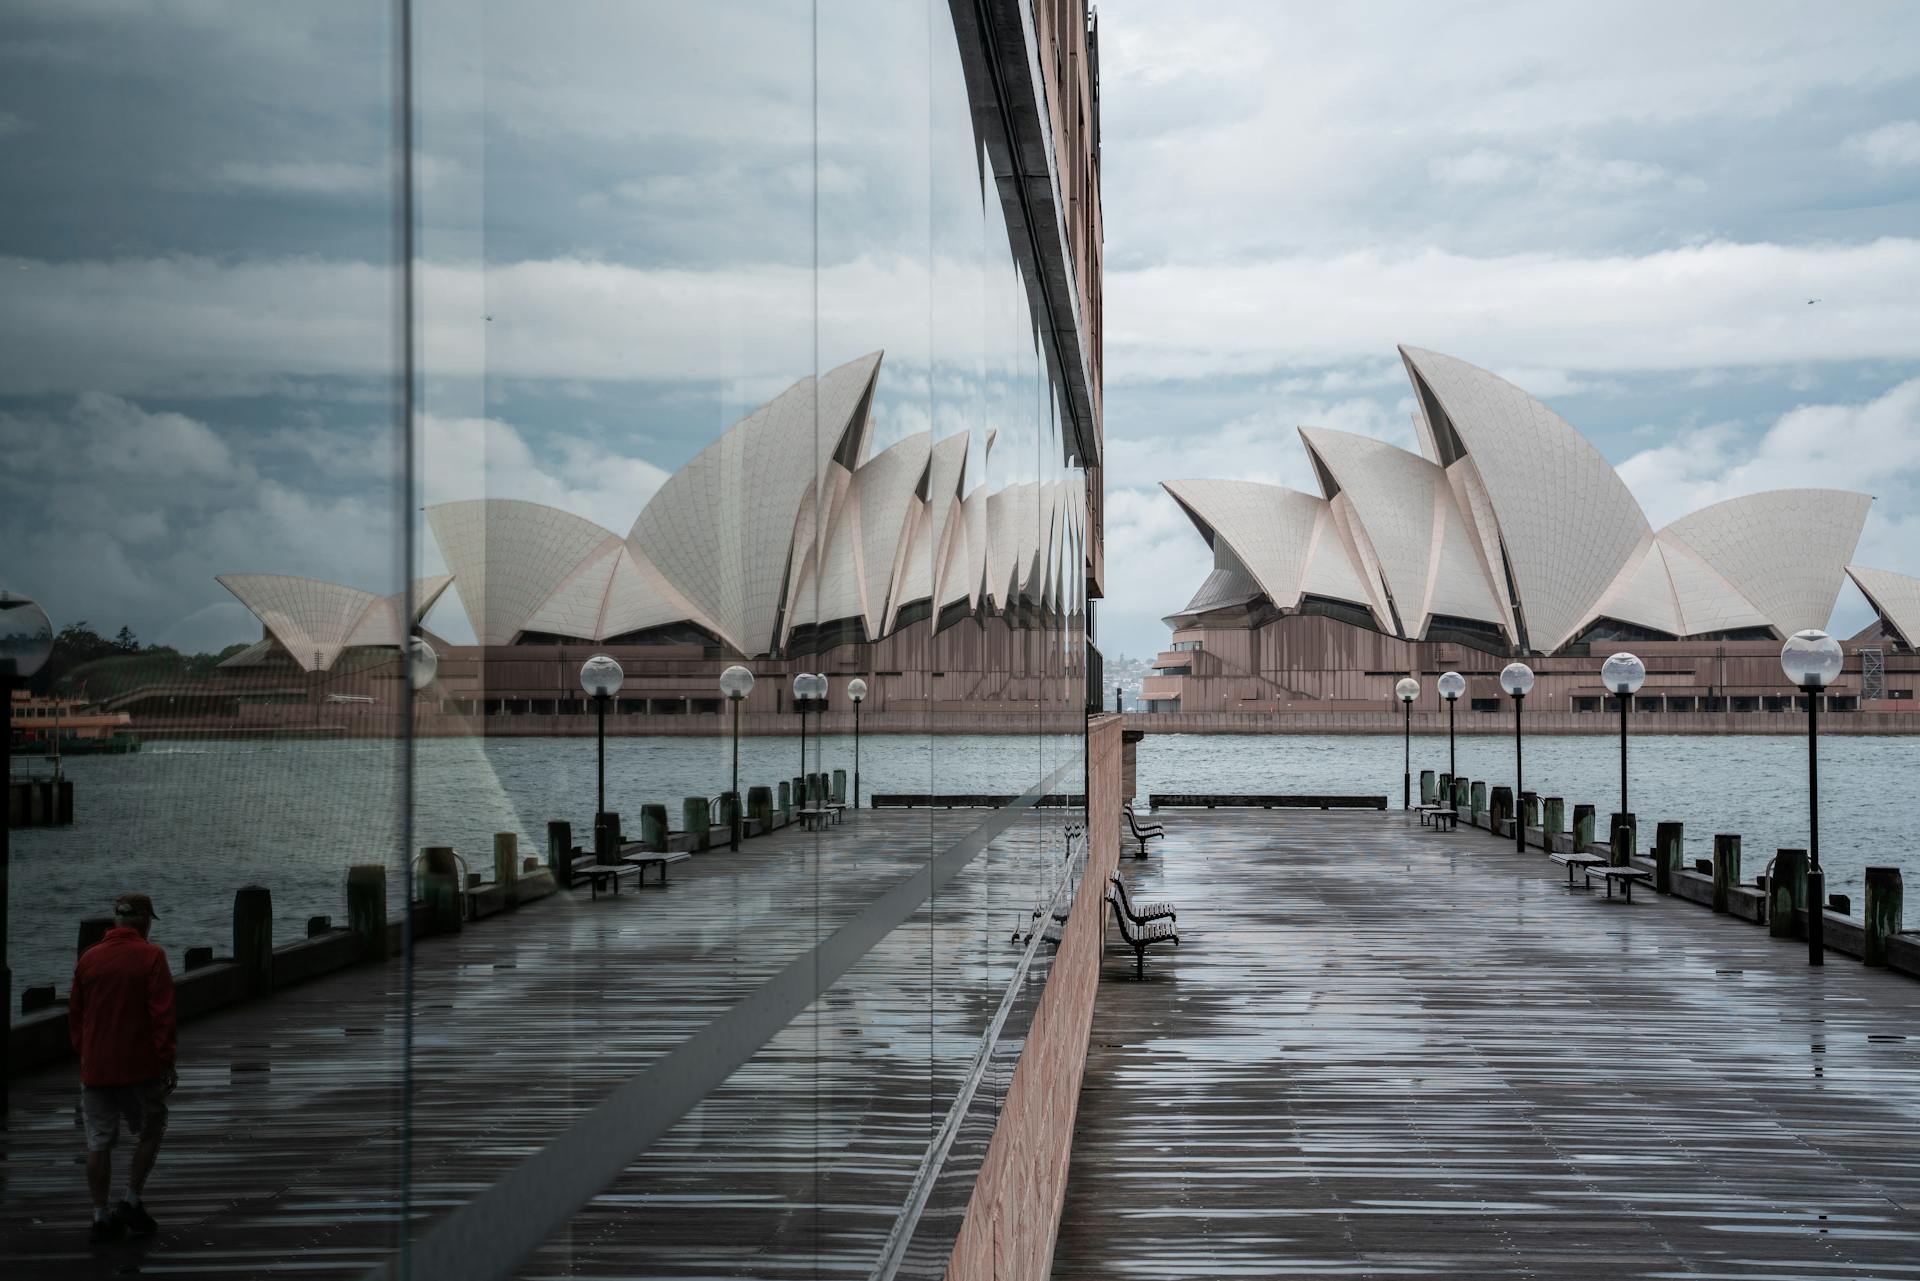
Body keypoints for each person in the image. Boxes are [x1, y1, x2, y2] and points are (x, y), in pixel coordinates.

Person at [69, 891, 177, 1243]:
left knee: (98, 1142)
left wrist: (85, 1051)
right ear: (144, 921)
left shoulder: (88, 958)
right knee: (152, 1128)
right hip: (138, 1068)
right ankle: (130, 1199)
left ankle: (100, 1217)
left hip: (95, 1067)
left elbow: (76, 1014)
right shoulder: (152, 956)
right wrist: (166, 1062)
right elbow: (162, 1016)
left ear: (116, 921)